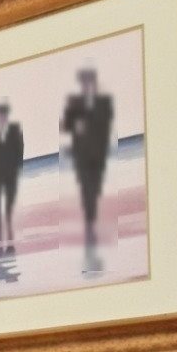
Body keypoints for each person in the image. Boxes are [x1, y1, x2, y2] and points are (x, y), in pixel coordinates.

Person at [60, 64, 117, 277]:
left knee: (95, 189)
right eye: (83, 80)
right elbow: (65, 126)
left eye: (89, 80)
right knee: (87, 191)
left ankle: (91, 224)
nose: (86, 84)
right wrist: (76, 124)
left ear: (93, 81)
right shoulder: (74, 103)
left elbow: (106, 125)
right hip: (82, 155)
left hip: (98, 154)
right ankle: (90, 224)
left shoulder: (103, 102)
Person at [0, 97, 25, 272]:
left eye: (3, 114)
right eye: (0, 114)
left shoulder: (16, 131)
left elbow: (20, 152)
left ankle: (9, 243)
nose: (1, 116)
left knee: (8, 210)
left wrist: (17, 171)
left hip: (10, 176)